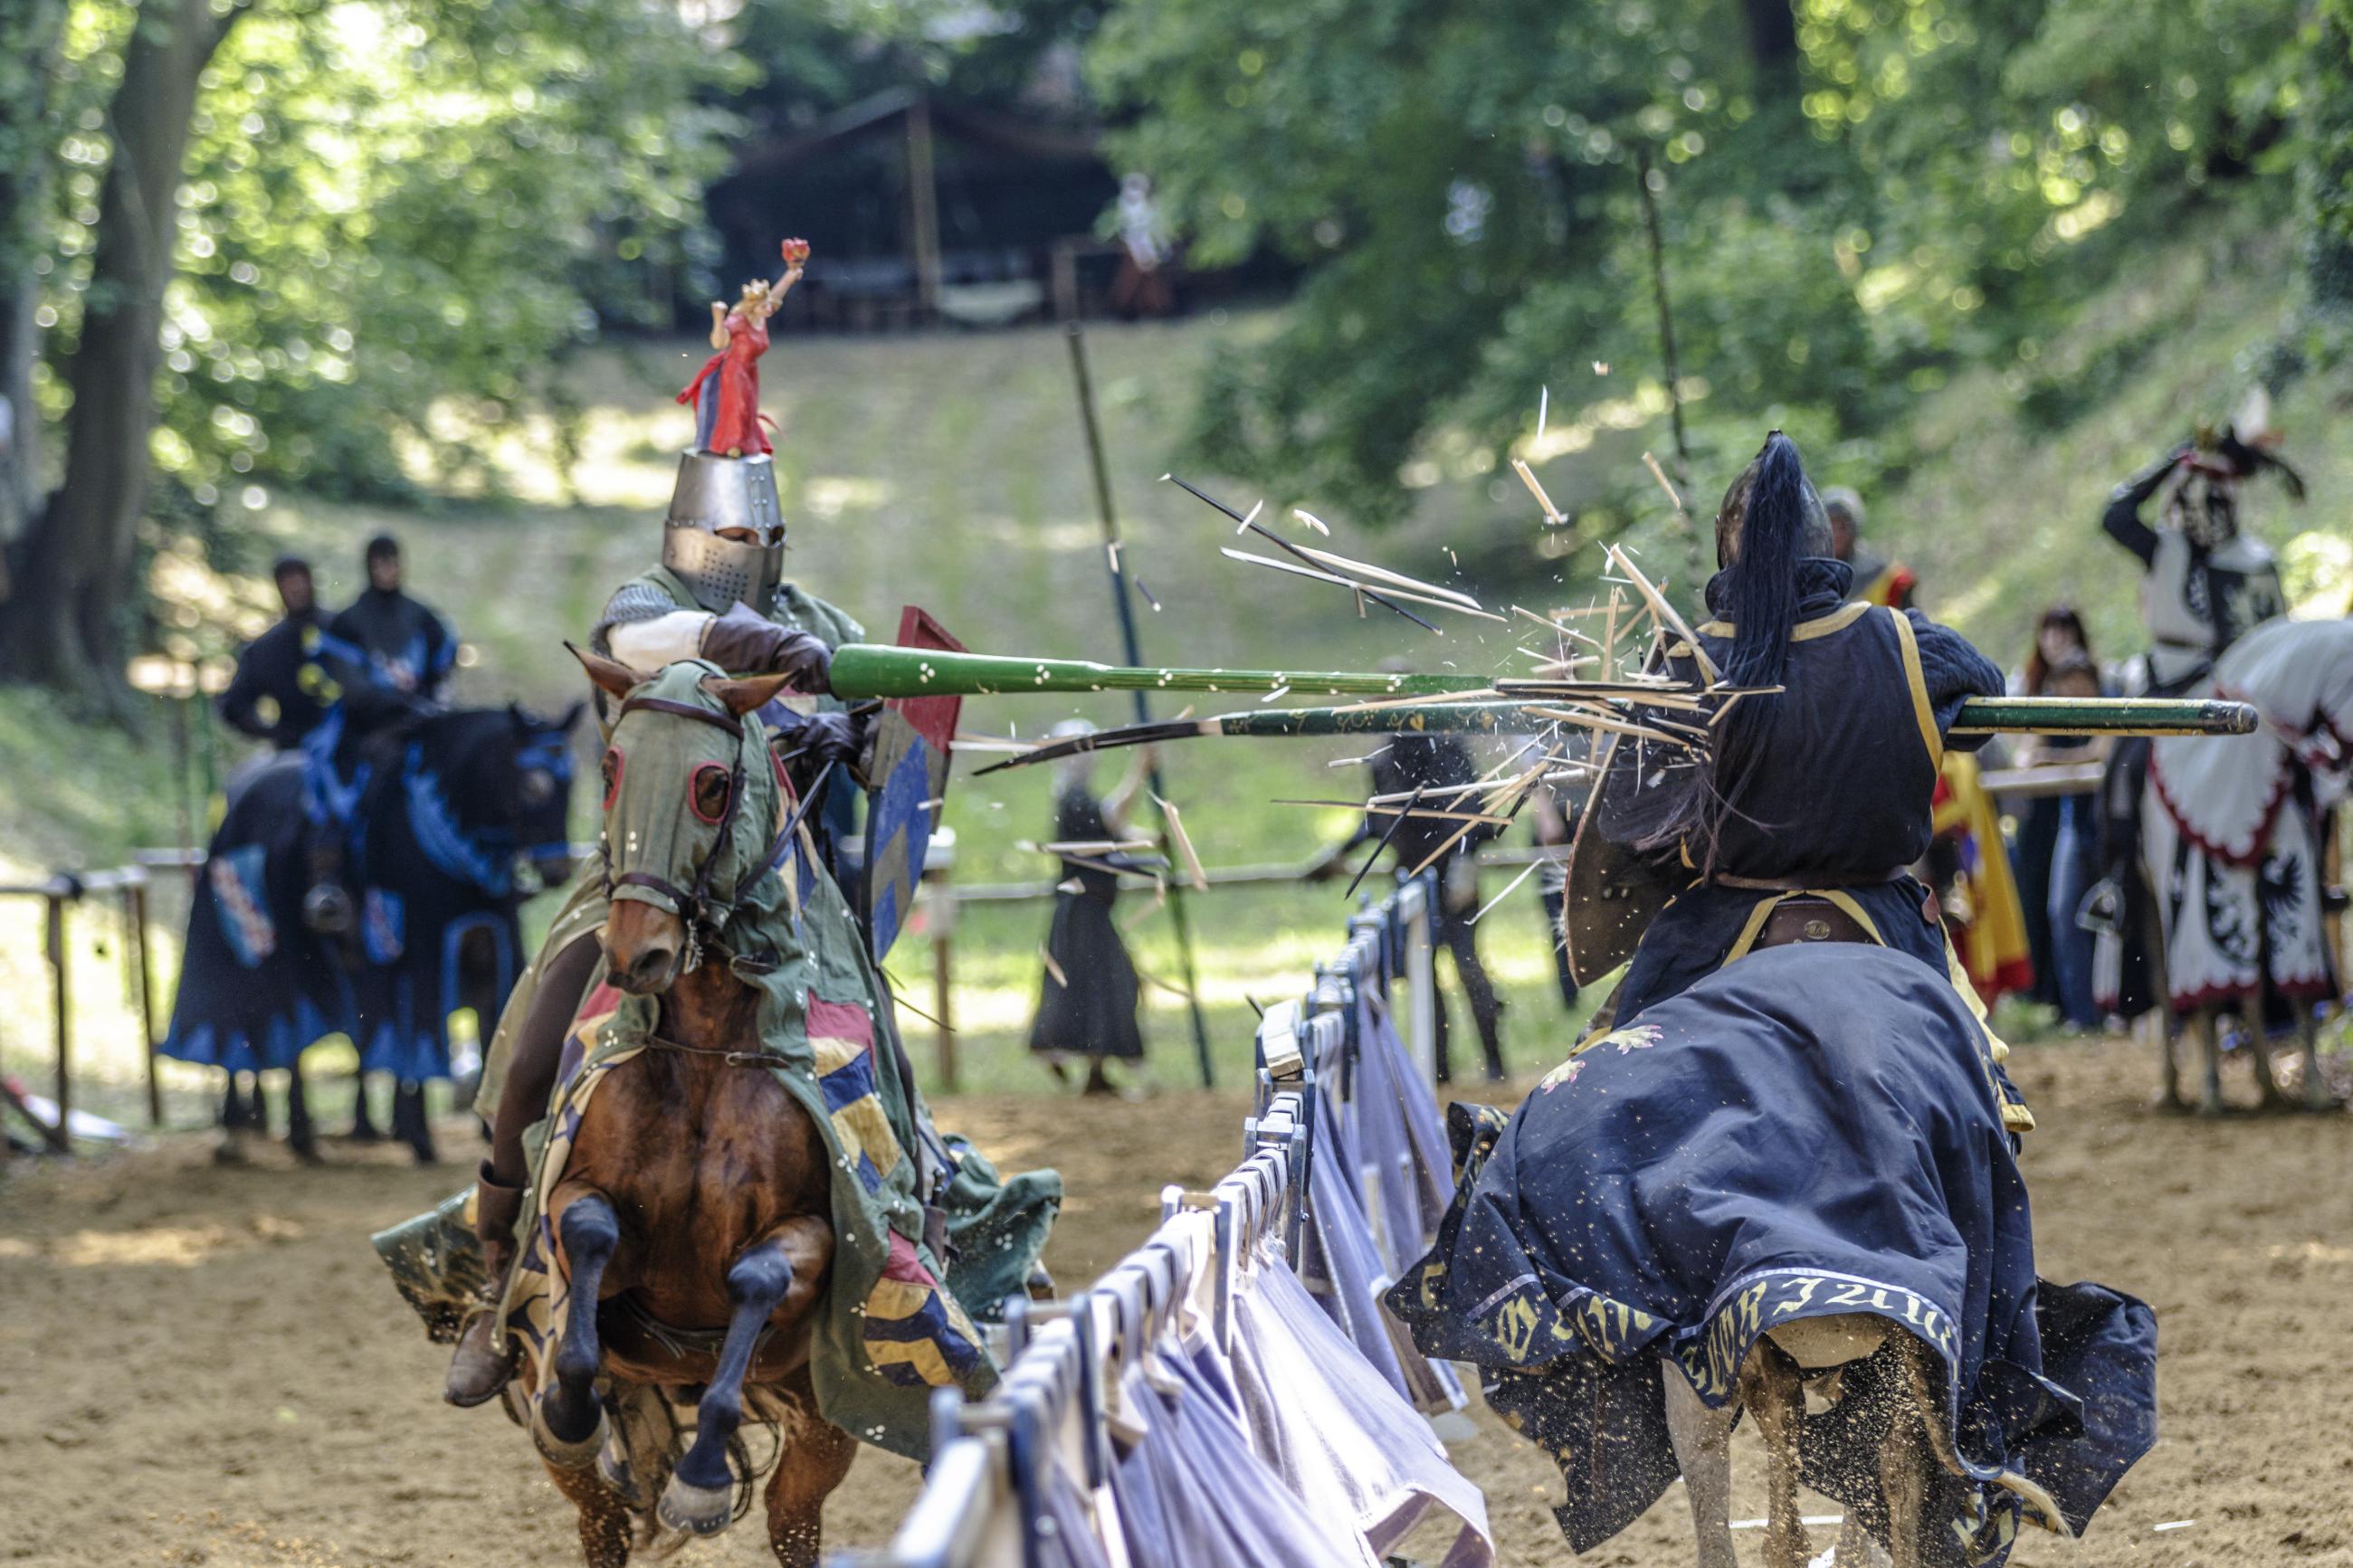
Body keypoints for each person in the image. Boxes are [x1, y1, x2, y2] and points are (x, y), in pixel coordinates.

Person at [439, 451, 879, 1407]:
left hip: (781, 901)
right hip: (642, 881)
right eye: (729, 537)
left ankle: (908, 1244)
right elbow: (644, 645)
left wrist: (851, 732)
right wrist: (749, 638)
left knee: (872, 1065)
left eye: (761, 539)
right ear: (688, 535)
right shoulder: (645, 599)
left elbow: (875, 733)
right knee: (528, 1055)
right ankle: (494, 1280)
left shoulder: (823, 622)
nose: (746, 553)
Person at [1585, 433, 2018, 1107]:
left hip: (1718, 932)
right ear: (1825, 549)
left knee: (1601, 1096)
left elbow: (1626, 818)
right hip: (1881, 923)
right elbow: (1985, 696)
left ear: (1729, 552)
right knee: (1983, 1101)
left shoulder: (1683, 663)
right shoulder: (1904, 640)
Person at [1314, 711, 1507, 1083]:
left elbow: (1473, 810)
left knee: (1469, 969)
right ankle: (1438, 1072)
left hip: (1453, 879)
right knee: (1423, 978)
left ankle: (1496, 1068)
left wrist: (1464, 861)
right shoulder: (1384, 758)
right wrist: (1341, 850)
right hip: (1412, 879)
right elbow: (1380, 816)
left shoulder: (1448, 746)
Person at [299, 535, 458, 936]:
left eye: (393, 561)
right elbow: (353, 688)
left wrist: (429, 704)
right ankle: (330, 882)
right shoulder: (348, 622)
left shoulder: (422, 617)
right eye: (379, 562)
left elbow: (443, 665)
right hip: (364, 731)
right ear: (368, 566)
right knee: (341, 796)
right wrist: (398, 703)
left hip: (420, 727)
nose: (387, 569)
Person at [2100, 422, 2297, 693]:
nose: (2204, 509)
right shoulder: (2163, 548)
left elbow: (2278, 636)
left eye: (2215, 500)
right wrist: (2172, 461)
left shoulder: (2255, 560)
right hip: (2171, 688)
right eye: (2192, 497)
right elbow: (2115, 516)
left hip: (2246, 688)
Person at [1028, 722, 1151, 1094]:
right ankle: (1065, 1056)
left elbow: (1113, 831)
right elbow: (1112, 817)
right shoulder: (1073, 799)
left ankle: (1095, 1072)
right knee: (1101, 984)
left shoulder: (1077, 799)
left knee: (1108, 984)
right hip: (1082, 910)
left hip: (1089, 909)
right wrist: (1141, 769)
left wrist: (1147, 839)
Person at [2004, 605, 2101, 1013]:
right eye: (2050, 631)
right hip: (2048, 817)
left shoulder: (2102, 690)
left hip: (2091, 816)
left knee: (2077, 910)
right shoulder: (2033, 688)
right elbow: (2026, 754)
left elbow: (2101, 750)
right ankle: (2066, 1005)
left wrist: (2052, 758)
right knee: (2050, 907)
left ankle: (2091, 1006)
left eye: (2064, 631)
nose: (2056, 640)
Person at [676, 239, 806, 459]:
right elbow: (719, 343)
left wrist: (790, 275)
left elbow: (776, 295)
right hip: (734, 370)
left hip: (749, 370)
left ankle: (746, 442)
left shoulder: (761, 315)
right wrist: (718, 318)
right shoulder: (739, 321)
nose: (770, 308)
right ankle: (731, 444)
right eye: (764, 306)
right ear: (753, 307)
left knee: (748, 410)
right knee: (738, 408)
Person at [217, 556, 332, 753]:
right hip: (296, 749)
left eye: (299, 580)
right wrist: (274, 733)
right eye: (288, 582)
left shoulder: (341, 629)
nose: (296, 589)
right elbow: (235, 704)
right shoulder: (268, 648)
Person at [1821, 485, 1917, 610]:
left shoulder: (1889, 579)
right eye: (1831, 525)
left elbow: (1908, 626)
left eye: (1843, 525)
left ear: (1855, 526)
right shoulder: (1810, 578)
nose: (1837, 534)